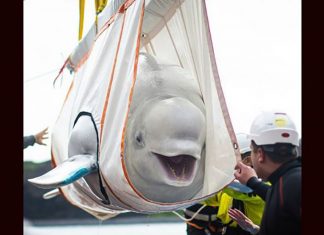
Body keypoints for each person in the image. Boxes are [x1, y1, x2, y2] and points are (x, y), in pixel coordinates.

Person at [233, 111, 301, 235]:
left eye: (251, 152)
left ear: (260, 154)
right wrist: (252, 182)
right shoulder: (287, 182)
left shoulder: (290, 186)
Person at [219, 133, 267, 235]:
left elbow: (245, 190)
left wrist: (217, 178)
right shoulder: (227, 187)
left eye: (231, 159)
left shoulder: (264, 184)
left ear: (248, 160)